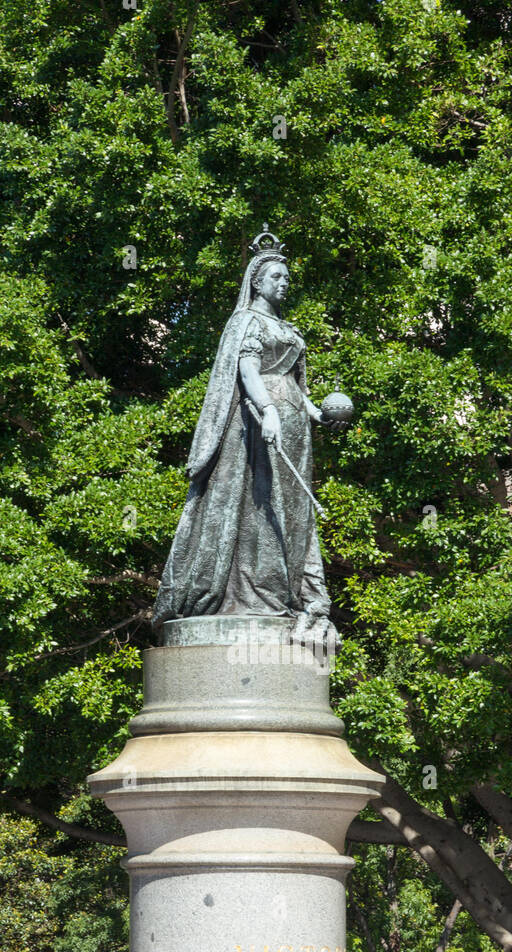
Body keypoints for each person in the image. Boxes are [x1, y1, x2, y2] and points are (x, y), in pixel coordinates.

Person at [152, 227, 339, 645]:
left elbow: (298, 388)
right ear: (257, 280)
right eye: (276, 276)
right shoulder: (246, 321)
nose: (284, 283)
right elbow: (248, 371)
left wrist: (318, 415)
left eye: (287, 278)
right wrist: (268, 411)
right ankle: (257, 590)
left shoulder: (287, 327)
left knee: (293, 507)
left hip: (294, 426)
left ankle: (292, 591)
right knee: (262, 503)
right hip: (258, 421)